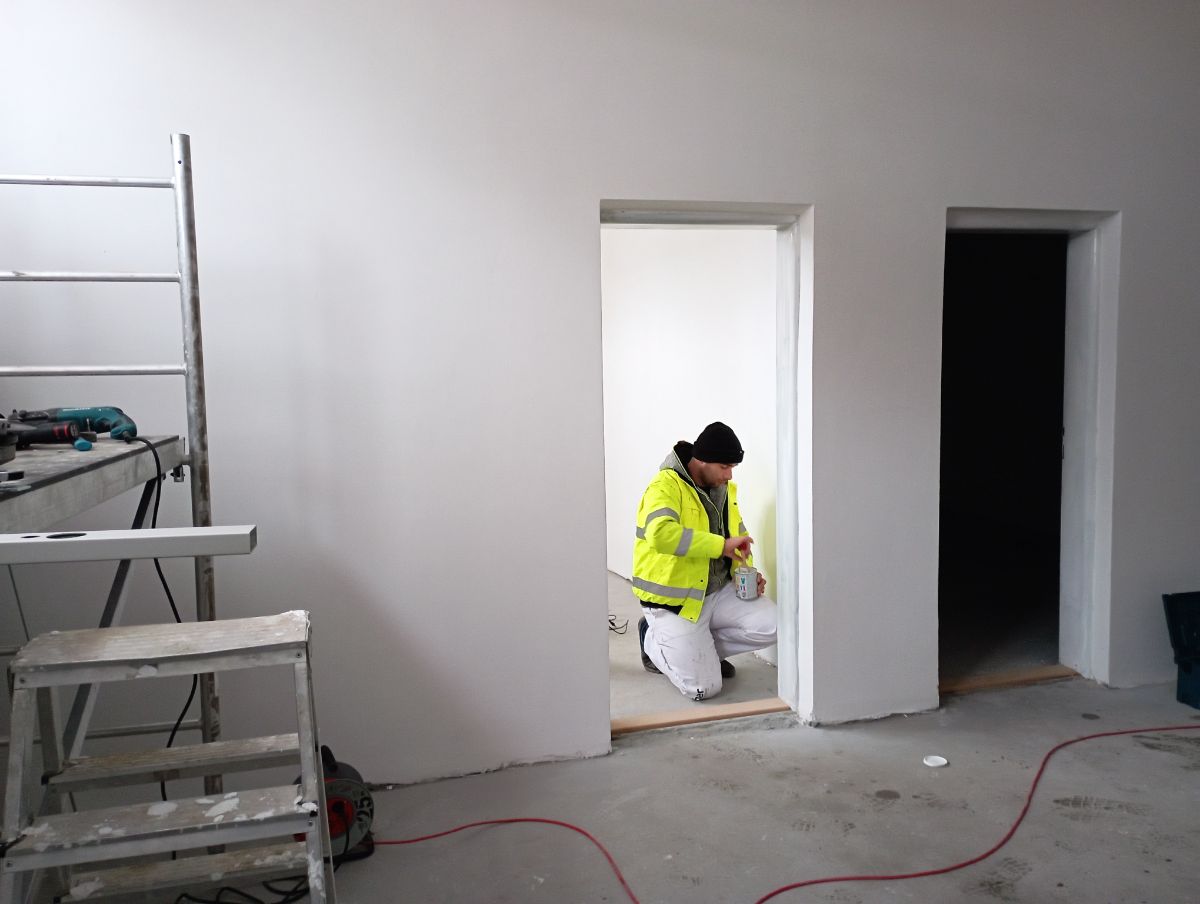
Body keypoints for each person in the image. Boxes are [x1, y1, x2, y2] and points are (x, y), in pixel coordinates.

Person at [632, 422, 777, 701]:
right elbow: (660, 534)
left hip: (716, 591)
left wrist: (747, 572)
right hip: (676, 602)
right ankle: (651, 638)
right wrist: (720, 546)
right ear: (702, 460)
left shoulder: (724, 490)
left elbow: (739, 539)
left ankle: (700, 653)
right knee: (703, 689)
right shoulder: (665, 486)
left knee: (775, 625)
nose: (729, 474)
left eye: (733, 467)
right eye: (725, 466)